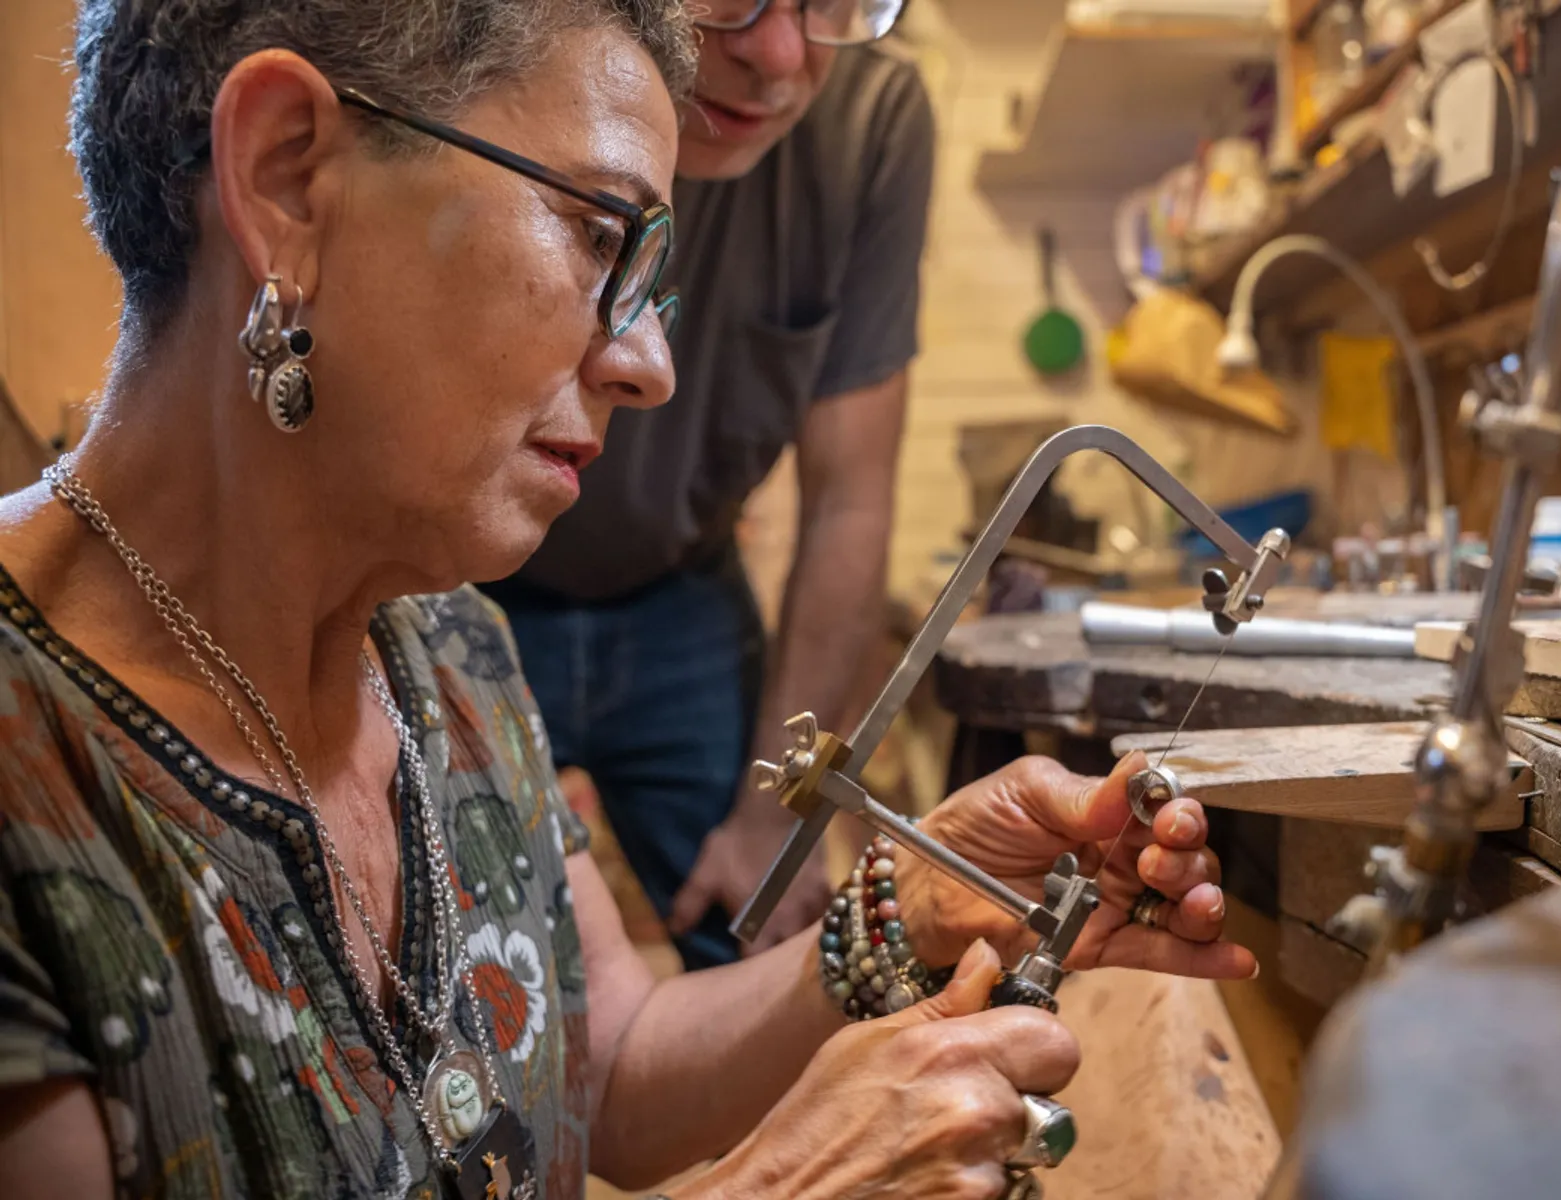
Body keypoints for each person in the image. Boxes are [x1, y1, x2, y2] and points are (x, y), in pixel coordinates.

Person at [0, 1, 1254, 1196]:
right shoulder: (32, 781)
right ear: (287, 177)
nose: (650, 364)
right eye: (598, 235)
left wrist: (905, 909)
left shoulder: (453, 653)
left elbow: (608, 1066)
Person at [483, 0, 931, 968]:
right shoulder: (494, 54)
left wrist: (780, 813)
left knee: (767, 933)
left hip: (683, 592)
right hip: (460, 579)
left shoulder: (869, 122)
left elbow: (851, 503)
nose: (777, 56)